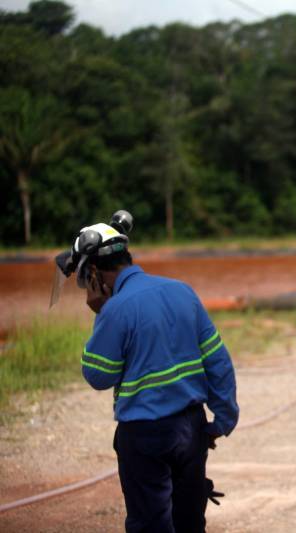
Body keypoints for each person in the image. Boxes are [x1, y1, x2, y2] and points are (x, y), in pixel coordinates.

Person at [61, 212, 238, 532]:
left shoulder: (114, 310)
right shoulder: (182, 291)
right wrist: (221, 421)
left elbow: (98, 376)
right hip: (191, 427)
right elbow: (218, 362)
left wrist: (100, 316)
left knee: (150, 523)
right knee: (189, 521)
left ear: (95, 274)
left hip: (143, 435)